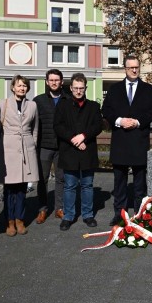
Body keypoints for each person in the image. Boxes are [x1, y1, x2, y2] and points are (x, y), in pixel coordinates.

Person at [102, 55, 152, 226]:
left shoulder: (149, 89)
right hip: (120, 142)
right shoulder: (114, 89)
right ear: (125, 69)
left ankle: (139, 214)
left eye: (137, 67)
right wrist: (120, 121)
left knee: (139, 183)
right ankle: (119, 214)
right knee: (119, 182)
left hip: (138, 141)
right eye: (130, 68)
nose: (134, 70)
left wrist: (137, 121)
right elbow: (106, 110)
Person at [54, 73, 103, 231]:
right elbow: (58, 126)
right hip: (69, 151)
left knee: (87, 185)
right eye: (75, 88)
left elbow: (97, 126)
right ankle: (68, 216)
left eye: (81, 88)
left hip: (87, 149)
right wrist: (74, 139)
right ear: (71, 88)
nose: (78, 91)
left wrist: (83, 137)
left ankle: (88, 215)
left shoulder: (94, 106)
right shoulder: (62, 105)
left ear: (86, 88)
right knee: (69, 185)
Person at [0, 75, 40, 236]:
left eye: (25, 86)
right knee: (9, 190)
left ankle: (20, 219)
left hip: (26, 150)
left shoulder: (33, 105)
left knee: (21, 189)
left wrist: (32, 143)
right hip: (9, 150)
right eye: (19, 85)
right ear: (12, 87)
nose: (22, 88)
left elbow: (35, 128)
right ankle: (9, 221)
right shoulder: (2, 104)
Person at [34, 69, 69, 222]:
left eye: (57, 80)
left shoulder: (68, 99)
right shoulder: (38, 101)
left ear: (61, 82)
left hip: (62, 147)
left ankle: (59, 208)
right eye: (51, 80)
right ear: (47, 82)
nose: (54, 82)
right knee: (42, 179)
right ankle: (42, 209)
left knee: (61, 178)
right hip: (44, 146)